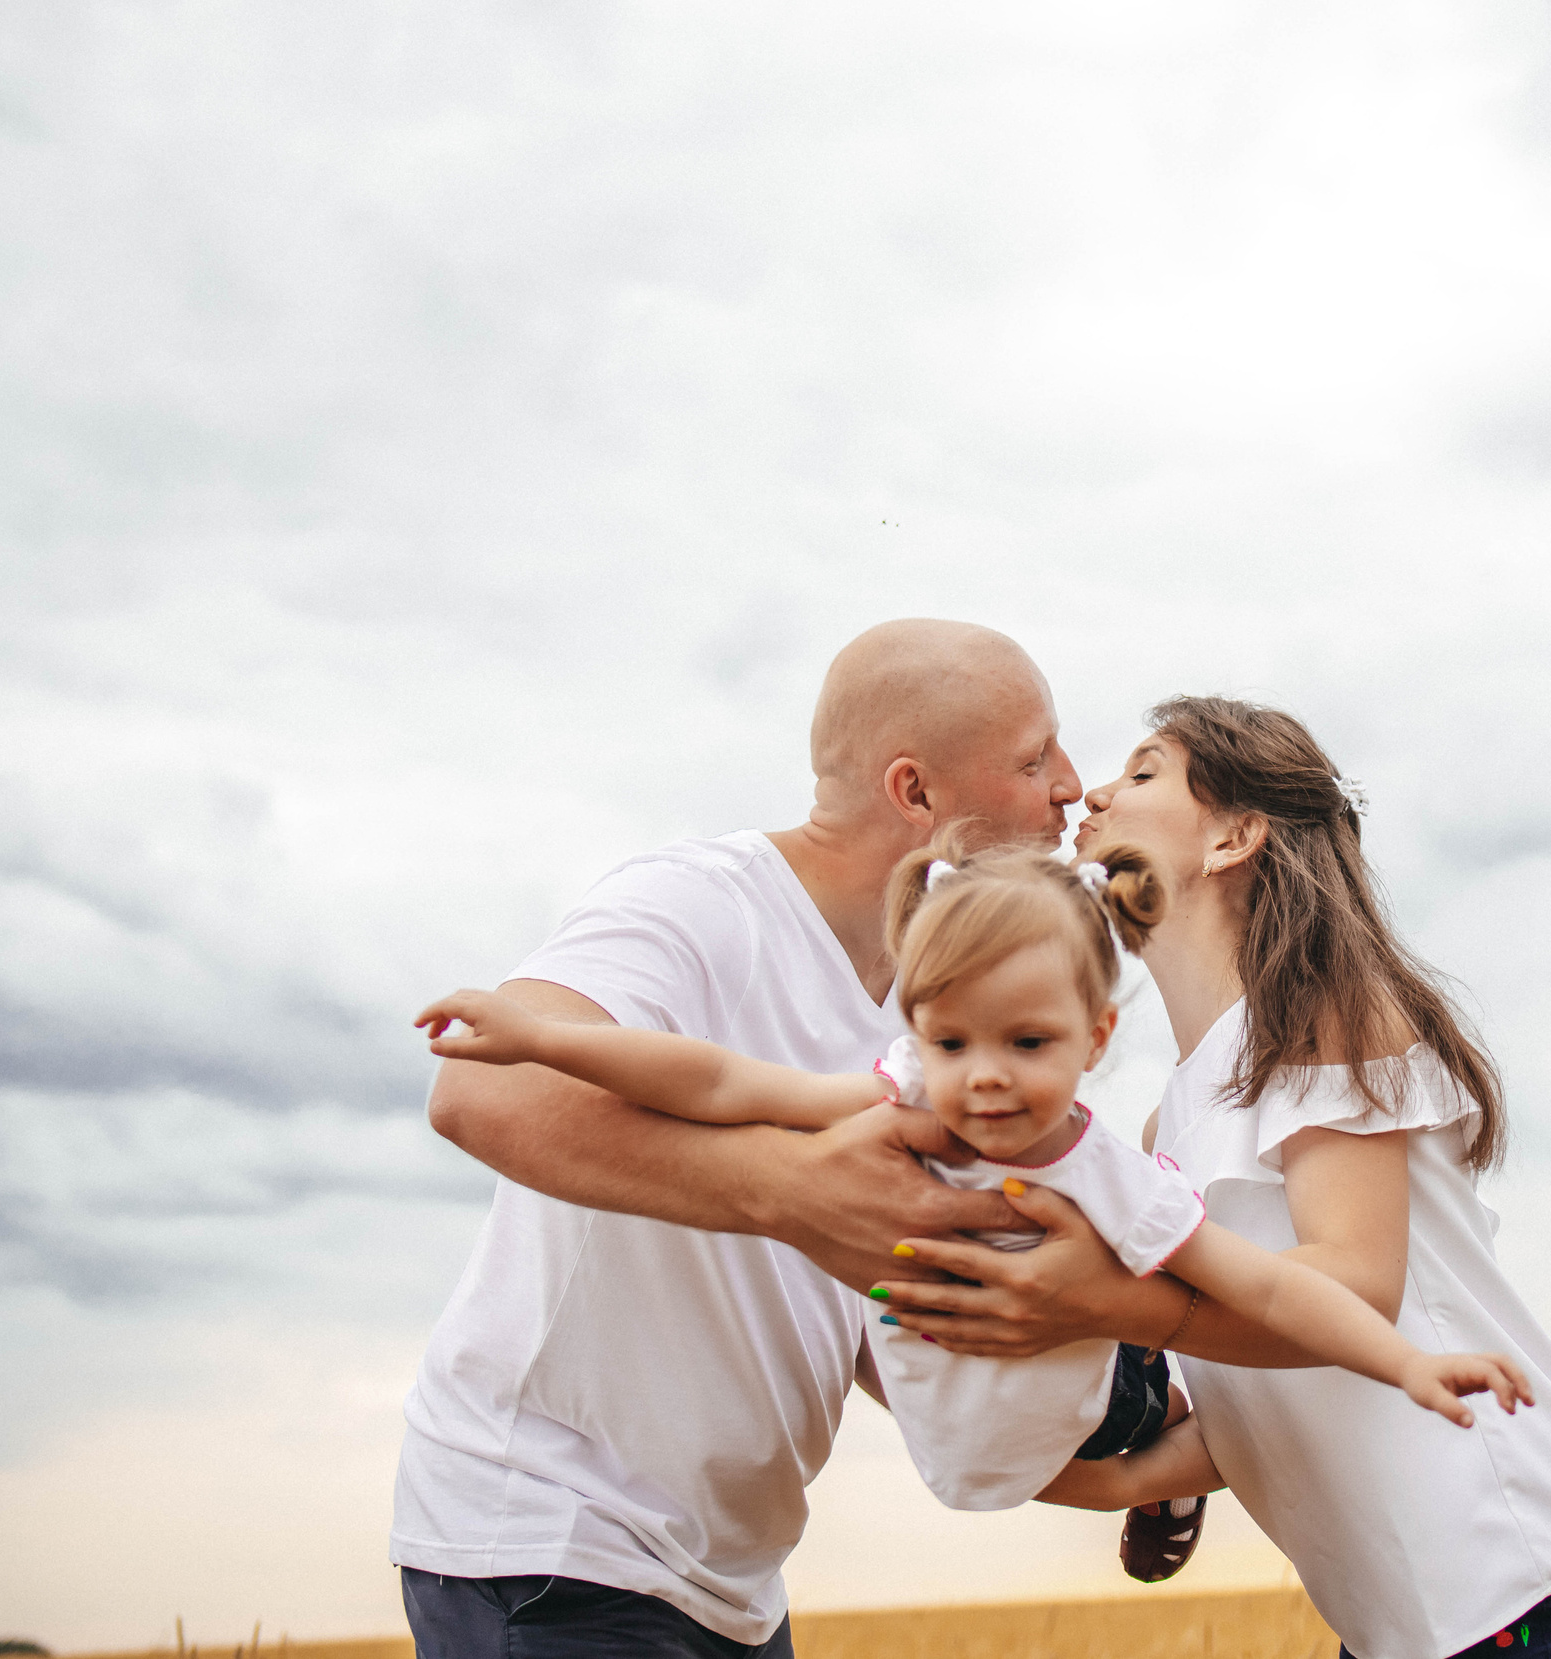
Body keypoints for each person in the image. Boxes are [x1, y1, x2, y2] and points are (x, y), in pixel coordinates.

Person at [412, 837, 1533, 1520]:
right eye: (951, 1042)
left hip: (1070, 1411)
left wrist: (1408, 1363)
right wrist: (539, 1035)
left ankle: (1165, 1443)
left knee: (1145, 1385)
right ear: (915, 1033)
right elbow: (713, 1078)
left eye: (1027, 1044)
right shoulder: (899, 1098)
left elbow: (1270, 1285)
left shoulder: (1107, 1175)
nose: (985, 1077)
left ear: (1095, 1038)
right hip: (949, 1431)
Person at [875, 697, 1551, 1659]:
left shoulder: (1320, 1012)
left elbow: (1358, 1285)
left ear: (1233, 837)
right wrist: (1096, 1474)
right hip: (1400, 1624)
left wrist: (1105, 1303)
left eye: (1144, 771)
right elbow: (1256, 1381)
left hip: (1521, 1571)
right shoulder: (1168, 1120)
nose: (1095, 793)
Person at [392, 619, 1105, 1659]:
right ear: (915, 793)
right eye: (1035, 758)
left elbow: (858, 1298)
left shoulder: (933, 1008)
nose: (1072, 787)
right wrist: (794, 1190)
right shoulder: (698, 901)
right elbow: (479, 1091)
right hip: (551, 1544)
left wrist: (1112, 1448)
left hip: (734, 1583)